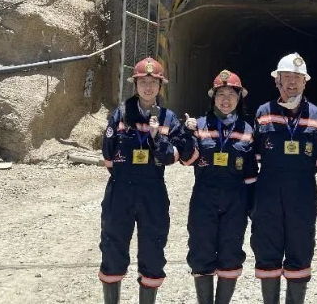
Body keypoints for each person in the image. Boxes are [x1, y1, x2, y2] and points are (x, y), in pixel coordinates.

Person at [98, 57, 182, 304]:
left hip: (153, 191)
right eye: (143, 82)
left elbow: (172, 156)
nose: (148, 87)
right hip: (121, 190)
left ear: (160, 86)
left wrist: (157, 139)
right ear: (135, 85)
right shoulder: (121, 114)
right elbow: (108, 154)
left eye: (153, 82)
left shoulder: (168, 118)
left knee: (153, 249)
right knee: (113, 247)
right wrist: (125, 177)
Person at [250, 53, 317, 304]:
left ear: (305, 82)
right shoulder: (263, 113)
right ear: (277, 81)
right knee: (267, 250)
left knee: (300, 250)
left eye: (297, 78)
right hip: (268, 193)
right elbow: (256, 153)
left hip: (302, 194)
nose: (292, 83)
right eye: (286, 77)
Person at [178, 70, 258, 304]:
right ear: (213, 98)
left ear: (239, 98)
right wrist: (187, 135)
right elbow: (187, 160)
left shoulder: (247, 130)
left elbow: (251, 173)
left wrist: (252, 207)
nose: (226, 99)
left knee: (231, 253)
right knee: (201, 251)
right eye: (221, 94)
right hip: (204, 198)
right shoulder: (200, 126)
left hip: (236, 200)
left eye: (231, 94)